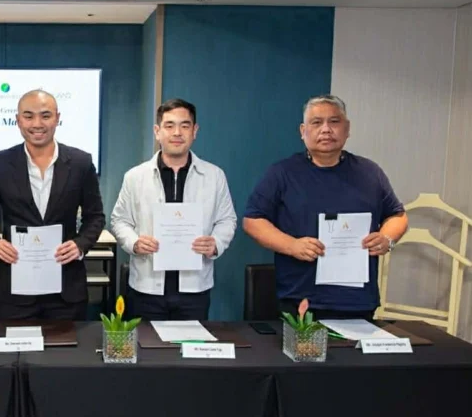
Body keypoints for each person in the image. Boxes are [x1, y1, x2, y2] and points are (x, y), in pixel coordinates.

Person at [243, 94, 408, 320]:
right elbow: (252, 221)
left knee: (355, 346)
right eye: (317, 122)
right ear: (303, 131)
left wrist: (387, 239)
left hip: (357, 300)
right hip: (301, 299)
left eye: (334, 122)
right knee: (302, 345)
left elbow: (397, 216)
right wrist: (292, 245)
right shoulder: (282, 173)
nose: (326, 129)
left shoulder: (370, 173)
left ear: (347, 129)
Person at [0, 90, 105, 320]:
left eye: (45, 115)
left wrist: (80, 244)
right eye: (28, 116)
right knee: (15, 345)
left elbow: (95, 216)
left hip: (66, 289)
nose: (37, 124)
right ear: (18, 120)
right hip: (16, 290)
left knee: (67, 345)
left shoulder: (81, 162)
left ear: (57, 118)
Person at [111, 98, 236, 320]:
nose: (177, 132)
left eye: (184, 126)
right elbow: (119, 220)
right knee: (146, 342)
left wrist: (216, 243)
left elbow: (227, 220)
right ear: (157, 132)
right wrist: (135, 242)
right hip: (146, 288)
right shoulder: (135, 177)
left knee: (190, 342)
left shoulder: (214, 176)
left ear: (195, 131)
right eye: (169, 125)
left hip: (195, 289)